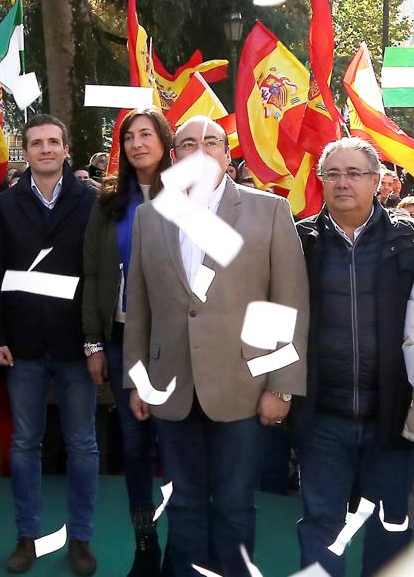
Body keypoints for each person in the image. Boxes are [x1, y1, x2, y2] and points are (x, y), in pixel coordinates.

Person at [124, 115, 309, 576]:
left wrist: (281, 386)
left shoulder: (268, 211)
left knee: (233, 505)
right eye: (188, 143)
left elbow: (287, 302)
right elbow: (141, 306)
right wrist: (137, 378)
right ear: (175, 157)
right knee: (183, 503)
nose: (200, 150)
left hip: (243, 388)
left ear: (228, 155)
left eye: (212, 142)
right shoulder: (151, 215)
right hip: (171, 386)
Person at [0, 114, 99, 576]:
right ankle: (26, 537)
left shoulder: (93, 200)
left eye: (54, 141)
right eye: (37, 143)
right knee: (25, 444)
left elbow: (100, 274)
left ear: (66, 148)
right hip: (23, 345)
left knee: (83, 445)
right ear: (25, 151)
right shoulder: (6, 204)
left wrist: (96, 341)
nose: (46, 149)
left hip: (76, 345)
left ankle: (82, 538)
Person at [294, 137, 414, 576]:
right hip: (323, 413)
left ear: (377, 181)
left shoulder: (408, 241)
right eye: (333, 173)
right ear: (321, 180)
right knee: (322, 523)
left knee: (391, 523)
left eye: (354, 173)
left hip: (393, 414)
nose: (343, 182)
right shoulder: (299, 242)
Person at [81, 109, 173, 576]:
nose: (138, 143)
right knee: (135, 448)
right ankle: (145, 545)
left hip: (177, 346)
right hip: (119, 340)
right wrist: (94, 343)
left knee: (175, 449)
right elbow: (93, 272)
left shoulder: (189, 198)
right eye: (129, 136)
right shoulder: (109, 202)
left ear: (164, 140)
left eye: (146, 134)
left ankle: (182, 545)